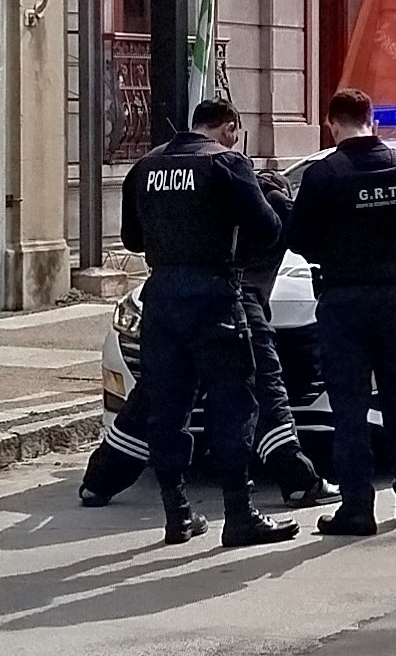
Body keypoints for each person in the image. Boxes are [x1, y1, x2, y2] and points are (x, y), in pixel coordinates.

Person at [78, 164, 340, 511]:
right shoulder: (275, 203)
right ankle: (297, 482)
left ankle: (98, 483)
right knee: (264, 394)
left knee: (152, 397)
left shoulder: (213, 195)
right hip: (239, 306)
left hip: (182, 304)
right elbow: (310, 239)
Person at [119, 99, 300, 547]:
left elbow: (131, 239)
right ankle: (239, 515)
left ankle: (177, 513)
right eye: (235, 133)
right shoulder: (228, 163)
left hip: (160, 296)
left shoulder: (145, 166)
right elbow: (268, 228)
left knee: (167, 408)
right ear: (228, 127)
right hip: (215, 296)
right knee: (232, 404)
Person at [286, 89, 396, 537]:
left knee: (350, 407)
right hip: (393, 297)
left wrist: (336, 245)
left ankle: (357, 508)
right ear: (371, 119)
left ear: (332, 123)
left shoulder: (324, 174)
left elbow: (297, 238)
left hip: (341, 301)